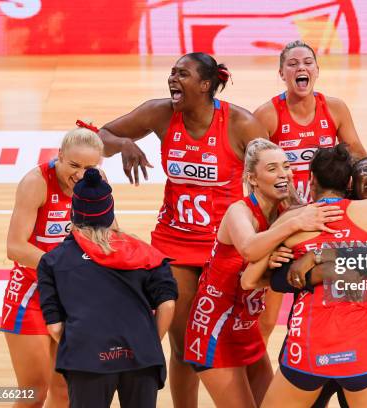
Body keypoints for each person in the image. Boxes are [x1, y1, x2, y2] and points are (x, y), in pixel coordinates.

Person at [98, 52, 266, 408]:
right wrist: (125, 144)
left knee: (239, 341)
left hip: (225, 246)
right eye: (172, 73)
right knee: (183, 343)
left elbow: (272, 178)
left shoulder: (241, 124)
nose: (173, 78)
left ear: (205, 85)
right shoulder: (160, 113)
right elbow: (102, 134)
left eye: (182, 74)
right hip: (173, 241)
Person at [241, 145, 367, 407]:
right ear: (349, 182)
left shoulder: (296, 220)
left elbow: (248, 280)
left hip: (309, 345)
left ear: (311, 181)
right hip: (359, 346)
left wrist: (290, 253)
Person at [184, 139, 344, 408]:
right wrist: (293, 224)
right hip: (214, 331)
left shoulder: (288, 212)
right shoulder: (239, 211)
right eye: (272, 168)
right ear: (252, 178)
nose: (284, 174)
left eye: (286, 166)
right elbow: (249, 249)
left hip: (247, 331)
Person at [270, 156, 367, 408]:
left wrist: (318, 258)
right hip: (310, 343)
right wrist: (319, 272)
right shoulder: (319, 219)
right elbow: (280, 279)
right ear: (350, 183)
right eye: (366, 171)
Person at [253, 40, 367, 344]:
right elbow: (251, 174)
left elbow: (357, 157)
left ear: (316, 70)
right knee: (265, 319)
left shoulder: (335, 108)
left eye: (307, 62)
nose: (300, 68)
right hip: (286, 226)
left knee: (332, 303)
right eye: (292, 64)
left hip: (327, 222)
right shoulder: (267, 115)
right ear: (281, 73)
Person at [37, 168, 178, 408]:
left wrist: (82, 342)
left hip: (86, 356)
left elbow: (55, 325)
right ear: (110, 211)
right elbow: (168, 303)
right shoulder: (146, 253)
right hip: (141, 353)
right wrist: (151, 340)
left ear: (74, 213)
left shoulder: (52, 261)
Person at [0, 121, 104, 407]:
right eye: (73, 165)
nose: (80, 175)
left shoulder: (97, 182)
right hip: (31, 293)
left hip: (73, 297)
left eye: (88, 168)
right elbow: (15, 247)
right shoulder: (36, 182)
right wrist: (63, 266)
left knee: (65, 389)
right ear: (59, 154)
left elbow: (105, 234)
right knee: (34, 391)